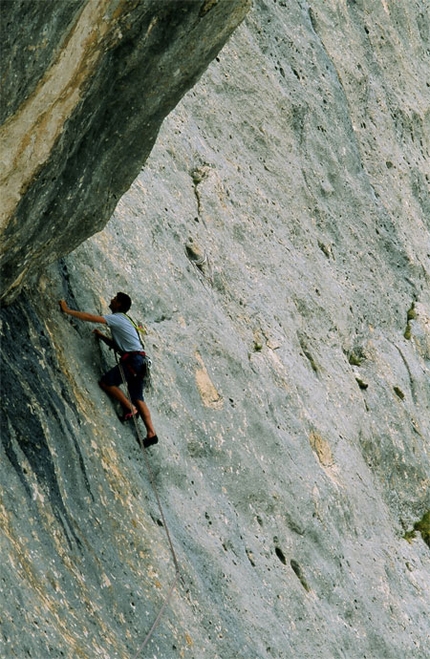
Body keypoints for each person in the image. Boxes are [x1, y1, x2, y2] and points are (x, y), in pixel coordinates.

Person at [59, 293, 158, 448]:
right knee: (137, 396)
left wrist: (67, 310)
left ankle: (131, 409)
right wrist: (102, 337)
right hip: (140, 361)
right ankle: (151, 433)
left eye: (114, 299)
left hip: (133, 361)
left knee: (107, 383)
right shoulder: (127, 321)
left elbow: (89, 317)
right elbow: (121, 346)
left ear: (119, 305)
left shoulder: (117, 318)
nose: (111, 299)